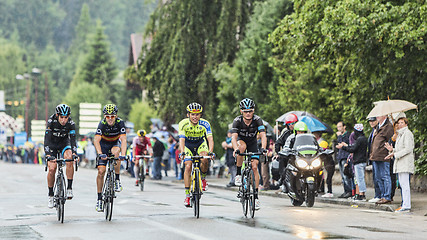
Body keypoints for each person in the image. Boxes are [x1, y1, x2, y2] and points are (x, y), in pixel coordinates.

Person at [231, 98, 267, 210]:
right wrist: (235, 149)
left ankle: (256, 197)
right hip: (241, 142)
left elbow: (263, 135)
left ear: (253, 111)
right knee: (242, 147)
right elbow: (233, 137)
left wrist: (263, 148)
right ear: (241, 111)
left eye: (250, 111)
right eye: (245, 111)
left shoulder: (257, 120)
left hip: (253, 143)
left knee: (255, 167)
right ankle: (238, 174)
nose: (248, 113)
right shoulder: (237, 121)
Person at [178, 103, 215, 207]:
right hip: (187, 145)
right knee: (188, 166)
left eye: (197, 114)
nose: (195, 117)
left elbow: (210, 139)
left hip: (200, 143)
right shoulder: (183, 124)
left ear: (200, 115)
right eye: (192, 114)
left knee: (204, 158)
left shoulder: (205, 124)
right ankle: (187, 196)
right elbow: (181, 139)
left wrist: (211, 151)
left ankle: (203, 179)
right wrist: (182, 153)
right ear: (188, 115)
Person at [44, 104, 79, 208]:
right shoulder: (51, 121)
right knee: (52, 168)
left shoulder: (71, 123)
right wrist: (48, 155)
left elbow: (73, 139)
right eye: (61, 117)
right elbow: (46, 140)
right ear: (57, 115)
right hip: (52, 145)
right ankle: (50, 195)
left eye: (66, 117)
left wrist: (74, 153)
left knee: (69, 158)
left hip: (64, 143)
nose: (64, 120)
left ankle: (69, 188)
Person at [93, 104, 127, 212]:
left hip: (114, 144)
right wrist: (99, 153)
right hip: (103, 146)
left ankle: (117, 179)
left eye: (112, 116)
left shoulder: (120, 123)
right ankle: (99, 199)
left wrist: (124, 154)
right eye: (108, 116)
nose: (110, 119)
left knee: (116, 152)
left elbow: (124, 140)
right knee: (101, 171)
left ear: (116, 115)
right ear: (104, 116)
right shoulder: (102, 124)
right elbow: (96, 140)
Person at [385, 113, 414, 212]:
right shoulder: (400, 135)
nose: (400, 124)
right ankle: (404, 204)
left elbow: (408, 149)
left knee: (405, 185)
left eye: (402, 123)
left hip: (405, 163)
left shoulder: (407, 133)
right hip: (400, 163)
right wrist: (391, 150)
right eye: (399, 123)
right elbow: (398, 149)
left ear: (406, 124)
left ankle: (406, 205)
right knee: (402, 184)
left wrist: (395, 155)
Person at [337, 124, 368, 201]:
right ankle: (361, 193)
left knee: (359, 178)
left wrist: (343, 147)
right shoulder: (364, 138)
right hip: (362, 160)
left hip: (358, 161)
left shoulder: (359, 139)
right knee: (360, 178)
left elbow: (353, 149)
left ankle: (361, 194)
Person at [370, 115, 394, 204]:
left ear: (385, 116)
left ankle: (387, 196)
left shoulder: (388, 126)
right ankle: (382, 195)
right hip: (375, 156)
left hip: (383, 156)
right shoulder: (378, 126)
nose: (377, 116)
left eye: (379, 115)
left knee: (385, 176)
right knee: (378, 177)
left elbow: (391, 141)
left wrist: (389, 150)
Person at [273, 113, 298, 192]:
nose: (291, 125)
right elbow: (278, 143)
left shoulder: (302, 132)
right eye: (289, 124)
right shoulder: (285, 133)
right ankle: (282, 179)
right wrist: (277, 153)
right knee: (282, 159)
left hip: (299, 154)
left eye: (293, 123)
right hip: (287, 153)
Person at [335, 121, 352, 198]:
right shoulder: (340, 135)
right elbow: (339, 143)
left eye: (340, 127)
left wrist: (340, 137)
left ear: (344, 127)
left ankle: (349, 191)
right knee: (342, 176)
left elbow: (346, 143)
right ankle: (345, 191)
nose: (339, 129)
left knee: (346, 175)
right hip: (340, 156)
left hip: (345, 156)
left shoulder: (348, 135)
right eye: (338, 127)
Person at [367, 117, 382, 203]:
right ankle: (377, 194)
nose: (372, 123)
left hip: (378, 157)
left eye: (373, 121)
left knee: (379, 177)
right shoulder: (372, 131)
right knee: (375, 177)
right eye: (370, 121)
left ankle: (379, 195)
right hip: (373, 157)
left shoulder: (379, 130)